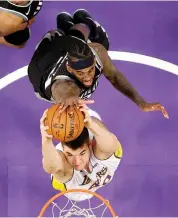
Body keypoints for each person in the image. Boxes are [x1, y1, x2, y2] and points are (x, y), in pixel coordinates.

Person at [28, 9, 169, 119]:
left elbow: (114, 76)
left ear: (94, 61)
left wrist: (141, 103)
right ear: (69, 68)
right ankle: (62, 28)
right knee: (55, 35)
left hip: (71, 45)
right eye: (80, 73)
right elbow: (63, 90)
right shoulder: (64, 85)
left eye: (90, 70)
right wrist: (69, 98)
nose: (88, 77)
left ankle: (76, 23)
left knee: (91, 34)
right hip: (41, 68)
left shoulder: (96, 52)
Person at [40, 105, 123, 201]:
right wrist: (46, 140)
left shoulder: (99, 145)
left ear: (89, 144)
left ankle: (76, 104)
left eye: (82, 153)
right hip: (75, 188)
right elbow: (51, 168)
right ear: (63, 148)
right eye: (70, 154)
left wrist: (91, 124)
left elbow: (111, 145)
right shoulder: (63, 161)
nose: (77, 162)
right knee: (60, 170)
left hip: (93, 130)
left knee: (104, 137)